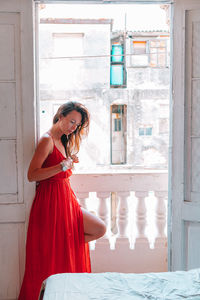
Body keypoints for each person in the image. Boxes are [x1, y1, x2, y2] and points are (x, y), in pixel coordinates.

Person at [18, 101, 106, 300]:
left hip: (65, 200)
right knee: (46, 255)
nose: (73, 127)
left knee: (98, 229)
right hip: (49, 203)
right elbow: (32, 175)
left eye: (77, 125)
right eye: (71, 121)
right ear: (60, 116)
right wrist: (61, 167)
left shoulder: (63, 140)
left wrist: (67, 163)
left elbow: (60, 172)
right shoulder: (47, 140)